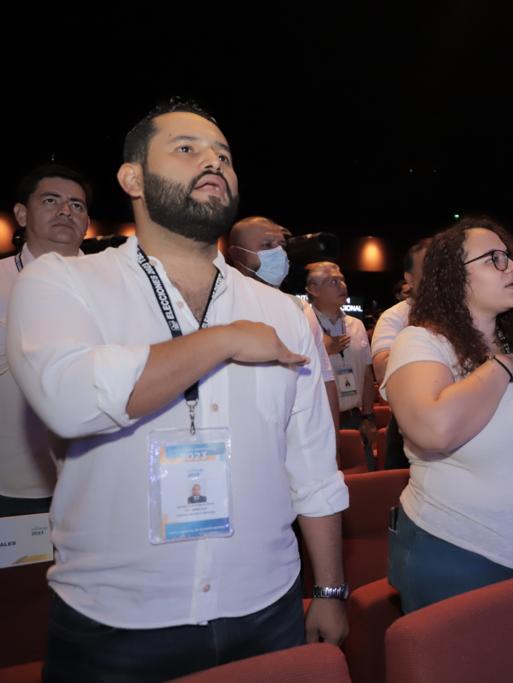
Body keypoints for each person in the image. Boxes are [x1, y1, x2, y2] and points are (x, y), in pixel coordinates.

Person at [7, 99, 349, 682]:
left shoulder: (284, 314)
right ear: (132, 178)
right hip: (114, 624)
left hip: (267, 608)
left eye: (224, 156)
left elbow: (313, 466)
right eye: (186, 149)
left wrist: (333, 588)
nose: (213, 162)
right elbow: (70, 401)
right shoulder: (64, 281)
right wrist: (223, 341)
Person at [383, 217, 513, 612]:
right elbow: (434, 430)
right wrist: (497, 370)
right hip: (459, 556)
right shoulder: (422, 342)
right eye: (494, 259)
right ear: (453, 277)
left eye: (510, 257)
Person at [0, 163, 90, 517]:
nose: (66, 211)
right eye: (51, 200)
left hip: (94, 481)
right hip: (13, 484)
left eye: (77, 205)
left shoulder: (114, 285)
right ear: (22, 214)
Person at [227, 216, 340, 430]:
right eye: (267, 245)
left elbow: (324, 380)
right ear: (237, 253)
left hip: (293, 434)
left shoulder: (298, 308)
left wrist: (333, 450)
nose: (278, 253)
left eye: (281, 245)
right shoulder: (222, 304)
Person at [306, 262, 376, 467]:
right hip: (320, 421)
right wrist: (321, 351)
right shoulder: (302, 324)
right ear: (313, 290)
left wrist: (368, 416)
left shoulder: (357, 325)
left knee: (363, 484)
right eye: (333, 282)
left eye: (342, 280)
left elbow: (366, 374)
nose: (342, 285)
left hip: (356, 419)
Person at [371, 237, 431, 469]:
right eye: (427, 265)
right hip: (411, 423)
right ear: (409, 277)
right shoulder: (395, 316)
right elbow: (383, 368)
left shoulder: (471, 312)